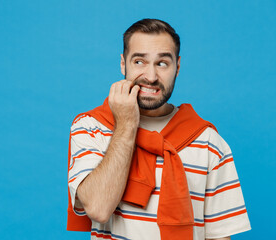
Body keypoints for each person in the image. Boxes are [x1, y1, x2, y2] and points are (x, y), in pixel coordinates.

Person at [67, 18, 251, 240]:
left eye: (162, 63)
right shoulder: (91, 128)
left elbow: (219, 236)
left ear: (178, 67)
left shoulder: (209, 142)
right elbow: (98, 208)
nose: (151, 77)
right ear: (123, 64)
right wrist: (126, 124)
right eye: (139, 62)